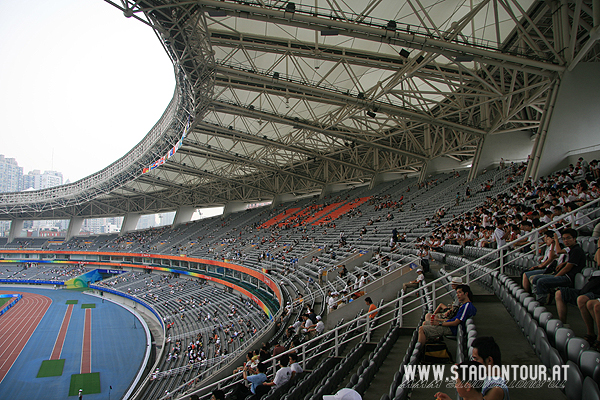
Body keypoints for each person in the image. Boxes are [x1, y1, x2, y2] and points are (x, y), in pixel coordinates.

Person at [534, 228, 586, 305]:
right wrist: (564, 263)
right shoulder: (572, 249)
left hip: (568, 278)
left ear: (574, 239)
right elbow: (570, 263)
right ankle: (539, 297)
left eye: (568, 238)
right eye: (564, 239)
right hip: (564, 275)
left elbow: (567, 269)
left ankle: (542, 302)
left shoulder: (576, 250)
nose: (566, 241)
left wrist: (555, 277)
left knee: (541, 281)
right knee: (536, 278)